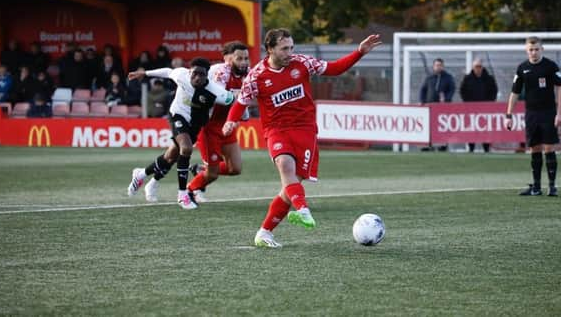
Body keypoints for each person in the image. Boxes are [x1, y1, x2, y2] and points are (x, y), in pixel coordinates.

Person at [222, 29, 382, 248]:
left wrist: (359, 52)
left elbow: (334, 69)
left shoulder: (303, 63)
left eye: (291, 47)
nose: (290, 52)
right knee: (285, 166)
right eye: (284, 48)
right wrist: (232, 120)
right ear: (270, 49)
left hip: (305, 129)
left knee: (291, 185)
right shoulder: (257, 75)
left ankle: (264, 232)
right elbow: (241, 101)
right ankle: (304, 210)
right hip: (276, 130)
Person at [126, 58, 234, 209]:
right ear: (189, 71)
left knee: (171, 156)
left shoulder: (215, 90)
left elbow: (234, 100)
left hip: (195, 124)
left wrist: (244, 109)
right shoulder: (181, 75)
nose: (197, 77)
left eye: (201, 75)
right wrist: (145, 73)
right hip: (177, 115)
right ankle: (182, 194)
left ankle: (141, 174)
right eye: (194, 73)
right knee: (186, 148)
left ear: (206, 76)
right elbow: (168, 72)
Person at [185, 41, 250, 203]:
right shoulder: (221, 73)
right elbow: (218, 98)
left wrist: (242, 112)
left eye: (246, 58)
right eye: (239, 58)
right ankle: (189, 191)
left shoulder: (248, 74)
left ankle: (200, 170)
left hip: (227, 125)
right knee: (212, 174)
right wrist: (237, 99)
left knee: (235, 168)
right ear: (229, 60)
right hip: (209, 127)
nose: (243, 62)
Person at [505, 36, 561, 197]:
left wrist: (560, 113)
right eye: (531, 49)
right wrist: (508, 115)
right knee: (534, 148)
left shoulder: (550, 66)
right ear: (526, 51)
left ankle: (552, 187)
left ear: (542, 49)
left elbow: (560, 89)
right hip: (531, 114)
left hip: (549, 112)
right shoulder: (522, 68)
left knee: (549, 147)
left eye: (536, 49)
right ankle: (536, 187)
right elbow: (514, 93)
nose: (534, 52)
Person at [459, 58, 498, 152]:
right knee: (471, 128)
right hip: (471, 109)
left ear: (482, 67)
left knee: (486, 128)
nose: (478, 68)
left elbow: (494, 91)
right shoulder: (467, 78)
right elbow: (462, 91)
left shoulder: (489, 78)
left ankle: (486, 147)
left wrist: (489, 102)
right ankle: (471, 147)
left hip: (486, 108)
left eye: (479, 66)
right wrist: (468, 102)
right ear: (473, 67)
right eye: (476, 66)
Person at [419, 58, 455, 151]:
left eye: (440, 65)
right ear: (433, 66)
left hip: (442, 107)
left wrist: (447, 99)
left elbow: (452, 90)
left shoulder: (448, 77)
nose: (438, 67)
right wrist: (422, 101)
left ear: (443, 66)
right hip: (430, 106)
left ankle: (443, 145)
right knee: (429, 126)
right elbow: (423, 90)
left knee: (443, 126)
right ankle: (428, 145)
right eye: (436, 65)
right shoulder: (429, 77)